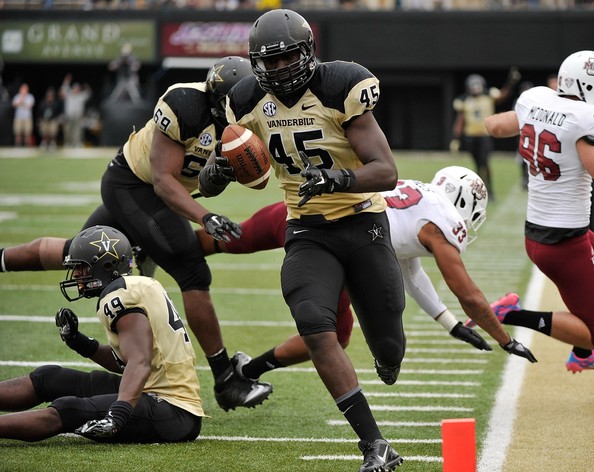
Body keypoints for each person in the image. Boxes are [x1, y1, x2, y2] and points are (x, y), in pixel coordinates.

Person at [0, 56, 273, 412]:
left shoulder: (245, 120)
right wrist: (205, 218)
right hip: (133, 185)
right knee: (191, 268)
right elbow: (162, 180)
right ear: (217, 97)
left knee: (79, 257)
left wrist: (217, 177)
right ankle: (225, 378)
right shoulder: (184, 103)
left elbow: (202, 184)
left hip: (157, 194)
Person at [199, 9, 408, 471]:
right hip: (308, 228)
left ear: (307, 51)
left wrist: (337, 177)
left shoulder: (340, 86)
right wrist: (216, 172)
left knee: (389, 346)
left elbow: (386, 172)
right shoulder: (246, 99)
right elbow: (222, 181)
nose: (277, 69)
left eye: (286, 57)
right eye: (267, 62)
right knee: (315, 323)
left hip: (362, 221)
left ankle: (387, 354)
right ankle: (375, 445)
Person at [196, 167, 537, 382]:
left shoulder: (417, 192)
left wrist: (450, 323)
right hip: (335, 247)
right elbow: (469, 295)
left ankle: (158, 244)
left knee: (226, 238)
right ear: (465, 205)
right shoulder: (442, 222)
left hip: (302, 213)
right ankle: (247, 373)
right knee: (334, 338)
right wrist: (505, 339)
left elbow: (407, 264)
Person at [0, 225, 205, 443]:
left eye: (82, 268)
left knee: (69, 408)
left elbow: (139, 362)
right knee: (49, 378)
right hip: (152, 390)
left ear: (107, 265)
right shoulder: (138, 286)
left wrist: (118, 414)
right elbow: (129, 363)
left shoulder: (119, 295)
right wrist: (81, 343)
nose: (76, 275)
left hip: (173, 411)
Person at [481, 50, 594, 374]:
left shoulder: (536, 99)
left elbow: (495, 126)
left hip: (541, 233)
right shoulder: (583, 118)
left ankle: (583, 348)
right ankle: (512, 314)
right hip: (563, 243)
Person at [450, 68, 521, 200]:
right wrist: (455, 138)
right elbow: (460, 121)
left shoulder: (488, 97)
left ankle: (490, 190)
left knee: (485, 163)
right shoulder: (465, 101)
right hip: (470, 137)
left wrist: (511, 83)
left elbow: (503, 95)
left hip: (484, 136)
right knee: (477, 165)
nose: (476, 88)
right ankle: (480, 191)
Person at [60, 74, 92, 148]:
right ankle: (68, 143)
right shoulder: (69, 95)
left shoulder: (81, 96)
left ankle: (77, 143)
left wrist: (87, 87)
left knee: (77, 131)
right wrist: (67, 81)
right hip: (69, 116)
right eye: (75, 88)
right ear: (72, 89)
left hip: (78, 116)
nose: (76, 89)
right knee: (68, 130)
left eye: (77, 88)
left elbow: (89, 94)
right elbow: (63, 89)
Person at [11, 82, 35, 146]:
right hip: (19, 117)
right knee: (18, 132)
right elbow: (14, 105)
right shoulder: (17, 96)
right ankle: (18, 145)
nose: (24, 90)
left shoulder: (30, 97)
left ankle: (27, 146)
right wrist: (21, 99)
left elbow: (29, 106)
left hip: (27, 117)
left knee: (28, 133)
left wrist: (23, 101)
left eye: (25, 89)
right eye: (22, 89)